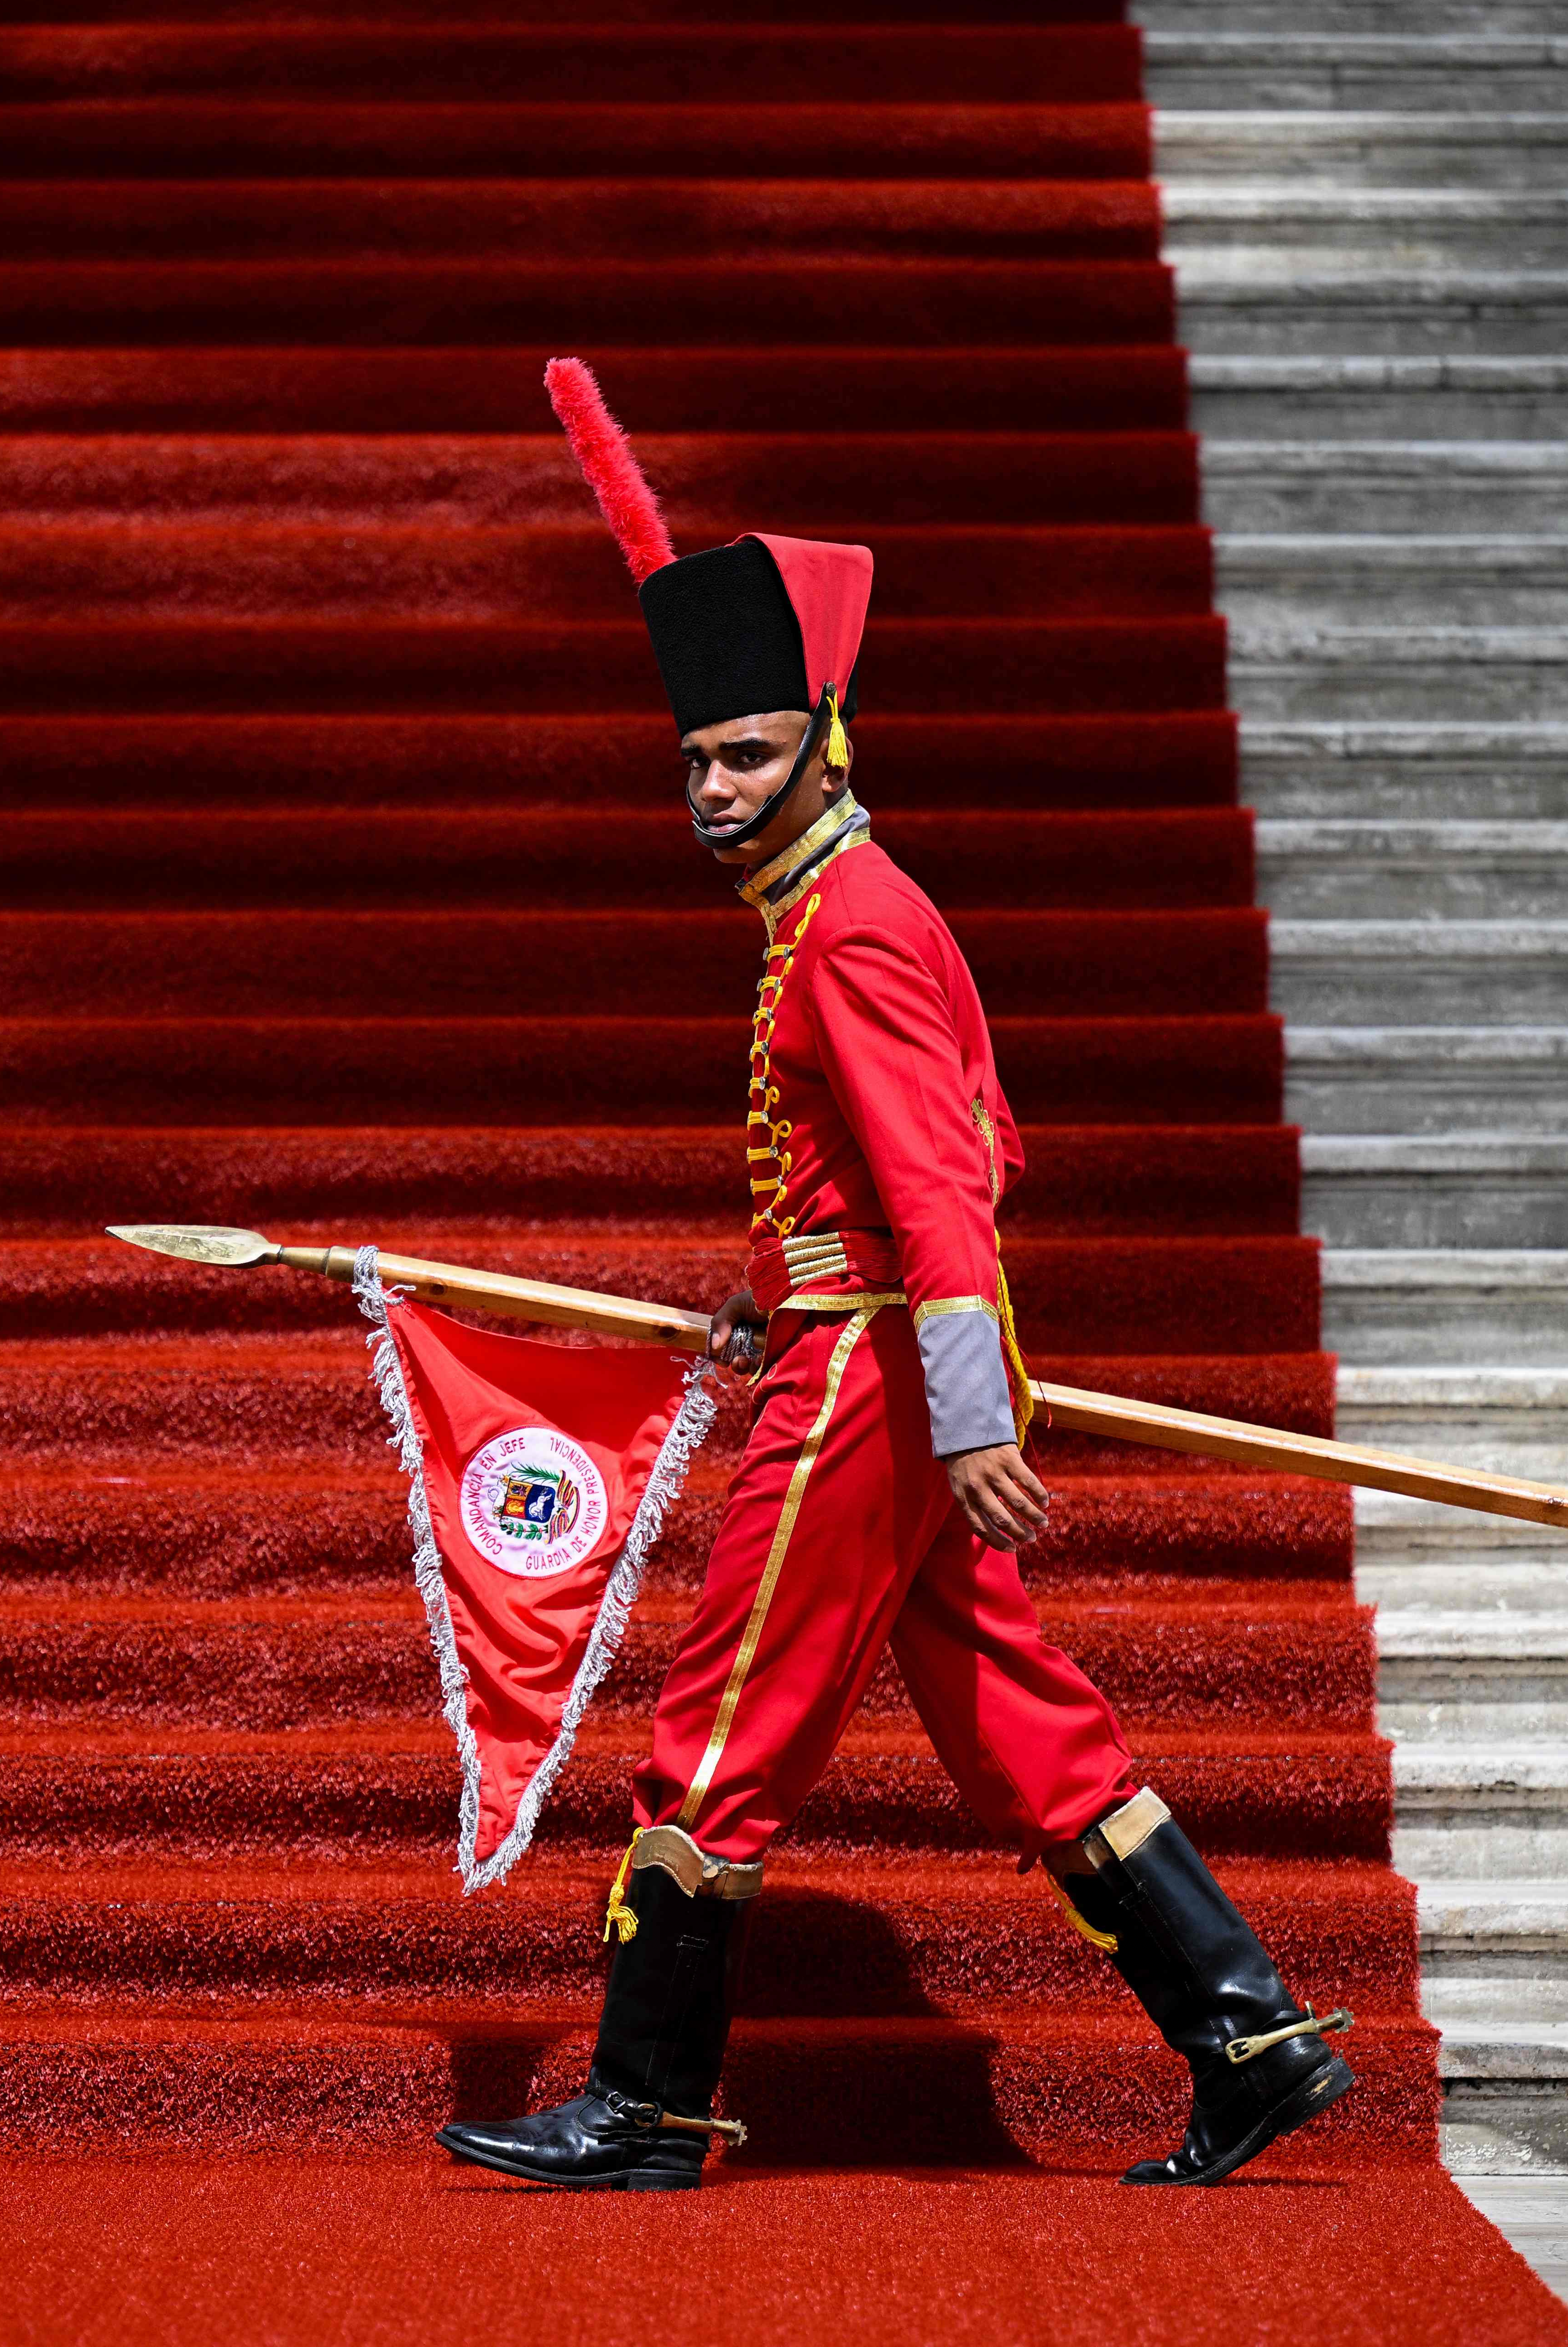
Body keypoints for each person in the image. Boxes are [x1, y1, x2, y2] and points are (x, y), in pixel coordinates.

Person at [435, 362, 1356, 2194]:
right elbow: (863, 1182)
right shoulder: (831, 909)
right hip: (848, 1341)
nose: (710, 788)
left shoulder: (849, 920)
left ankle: (649, 2105)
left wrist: (954, 1413)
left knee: (714, 1739)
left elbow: (940, 1193)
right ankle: (1247, 2033)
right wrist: (761, 1299)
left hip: (869, 1383)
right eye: (694, 758)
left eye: (745, 754)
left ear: (826, 744)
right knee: (1017, 1721)